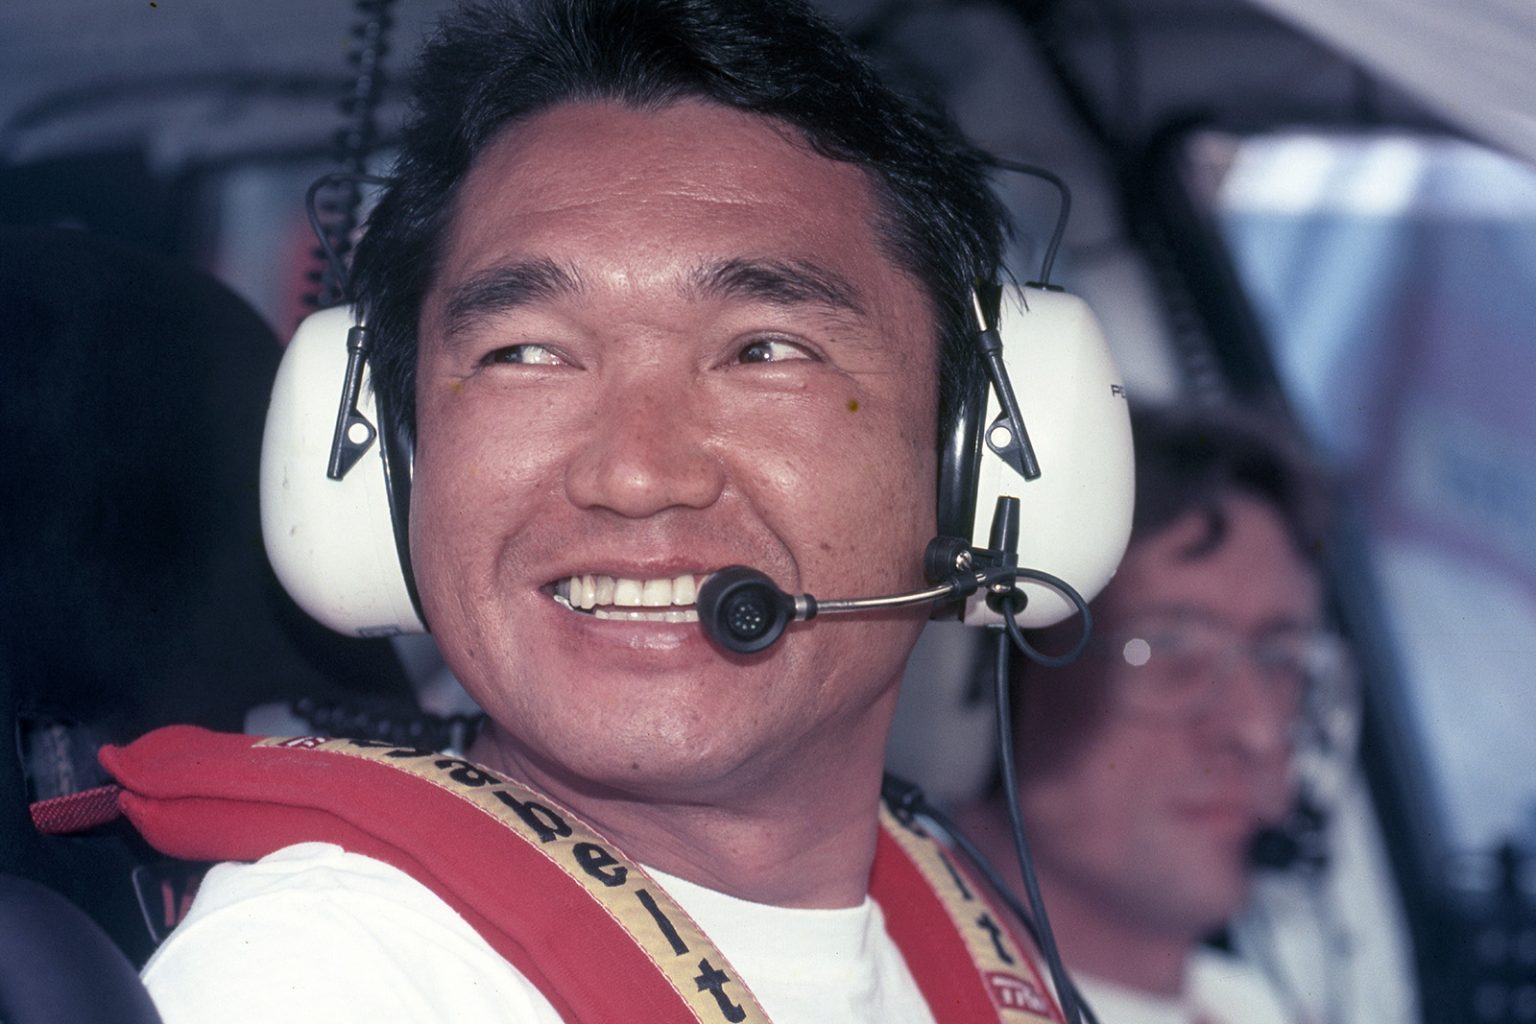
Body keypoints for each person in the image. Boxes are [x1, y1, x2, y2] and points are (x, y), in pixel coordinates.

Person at [133, 1, 1061, 1022]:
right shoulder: (322, 976)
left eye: (764, 351)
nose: (636, 474)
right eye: (525, 354)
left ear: (970, 459)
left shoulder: (985, 949)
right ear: (395, 464)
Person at [957, 404, 1349, 1024]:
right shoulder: (864, 969)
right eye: (1172, 649)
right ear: (1021, 658)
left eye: (1280, 661)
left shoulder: (1260, 1007)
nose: (1256, 730)